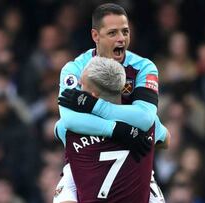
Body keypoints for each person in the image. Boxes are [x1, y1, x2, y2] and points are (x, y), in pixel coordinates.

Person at [55, 3, 169, 203]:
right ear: (95, 36)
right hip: (84, 162)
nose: (121, 39)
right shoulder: (75, 68)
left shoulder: (143, 67)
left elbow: (145, 118)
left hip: (133, 160)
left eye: (125, 32)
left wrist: (93, 106)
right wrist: (117, 130)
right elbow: (70, 120)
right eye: (113, 33)